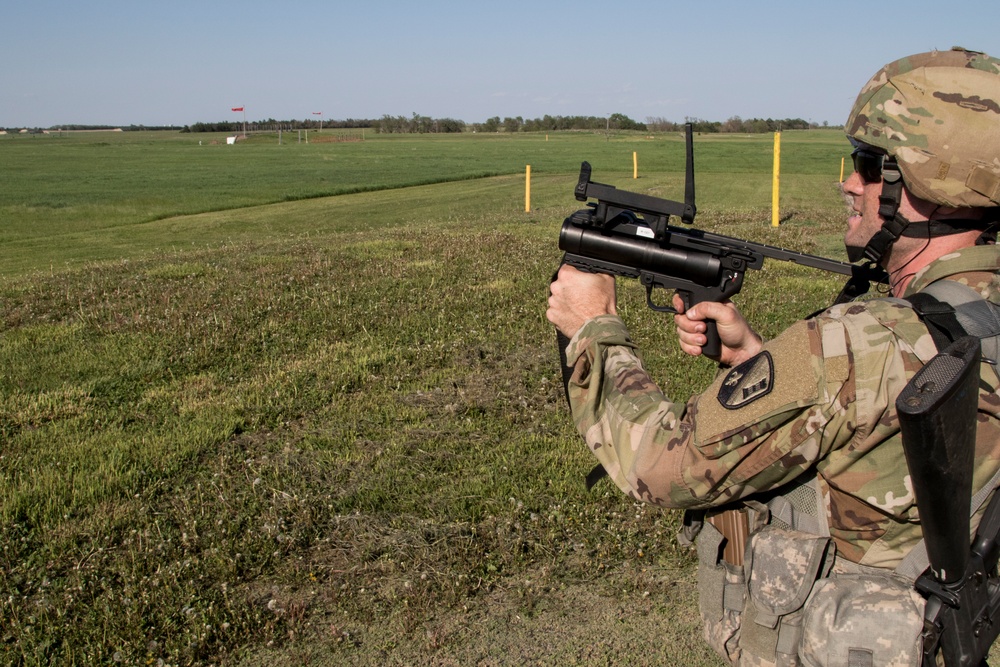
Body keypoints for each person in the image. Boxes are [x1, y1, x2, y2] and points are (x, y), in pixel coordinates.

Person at [547, 48, 1000, 666]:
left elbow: (661, 466)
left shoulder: (855, 347)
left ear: (929, 185)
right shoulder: (980, 315)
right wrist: (759, 359)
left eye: (870, 167)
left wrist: (593, 329)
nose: (848, 182)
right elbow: (884, 438)